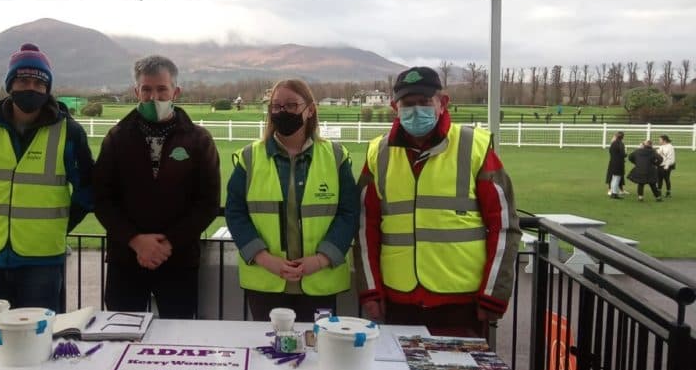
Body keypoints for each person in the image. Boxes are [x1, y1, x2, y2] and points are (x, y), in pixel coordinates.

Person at [357, 66, 521, 337]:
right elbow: (365, 229)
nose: (416, 110)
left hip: (462, 303)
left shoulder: (475, 147)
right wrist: (370, 290)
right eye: (408, 104)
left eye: (424, 102)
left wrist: (494, 293)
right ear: (394, 107)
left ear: (442, 103)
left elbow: (505, 227)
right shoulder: (379, 153)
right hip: (399, 301)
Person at [0, 43, 94, 323]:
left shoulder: (69, 132)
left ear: (48, 88)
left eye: (38, 82)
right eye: (23, 80)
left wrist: (60, 224)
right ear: (10, 85)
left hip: (42, 259)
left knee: (40, 339)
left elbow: (87, 189)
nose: (30, 88)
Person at [94, 55, 220, 319]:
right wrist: (136, 241)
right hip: (126, 261)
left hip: (179, 261)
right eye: (147, 89)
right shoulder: (117, 138)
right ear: (136, 91)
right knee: (122, 340)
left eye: (162, 89)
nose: (154, 96)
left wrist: (168, 243)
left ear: (176, 91)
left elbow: (207, 203)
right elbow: (103, 199)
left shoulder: (198, 140)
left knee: (177, 344)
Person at [226, 79, 359, 323]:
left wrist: (320, 260)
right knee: (269, 355)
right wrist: (265, 259)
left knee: (316, 353)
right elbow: (236, 214)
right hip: (266, 282)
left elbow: (349, 214)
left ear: (310, 110)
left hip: (320, 283)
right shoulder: (250, 157)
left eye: (291, 105)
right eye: (276, 106)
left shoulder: (336, 157)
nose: (282, 112)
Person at [606, 131, 626, 199]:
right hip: (619, 163)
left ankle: (612, 192)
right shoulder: (621, 144)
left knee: (613, 178)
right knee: (617, 178)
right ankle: (614, 193)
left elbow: (610, 151)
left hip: (612, 162)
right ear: (622, 137)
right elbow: (622, 154)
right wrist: (626, 155)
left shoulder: (613, 143)